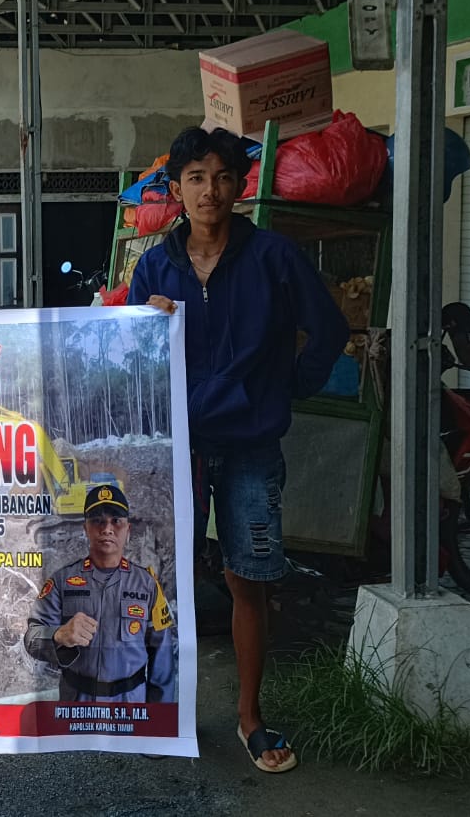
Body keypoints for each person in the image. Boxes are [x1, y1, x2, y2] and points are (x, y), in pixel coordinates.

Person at [126, 126, 348, 773]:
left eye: (222, 177)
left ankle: (251, 717)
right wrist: (147, 324)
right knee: (167, 583)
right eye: (196, 178)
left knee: (247, 579)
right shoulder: (155, 267)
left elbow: (329, 329)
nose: (210, 191)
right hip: (180, 448)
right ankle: (167, 716)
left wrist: (287, 388)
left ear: (239, 186)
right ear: (176, 190)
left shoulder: (273, 256)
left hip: (250, 444)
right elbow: (129, 360)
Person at [24, 484, 178, 704]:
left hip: (131, 704)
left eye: (116, 521)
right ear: (85, 528)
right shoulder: (61, 581)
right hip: (77, 703)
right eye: (97, 520)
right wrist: (58, 635)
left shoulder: (147, 584)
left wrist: (160, 717)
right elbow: (31, 638)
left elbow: (162, 659)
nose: (107, 529)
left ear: (128, 529)